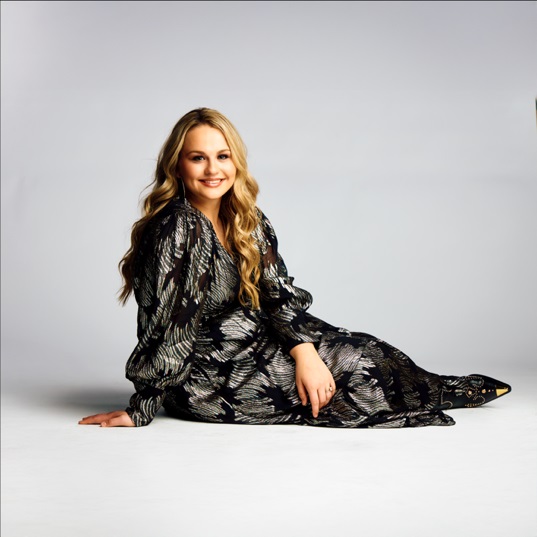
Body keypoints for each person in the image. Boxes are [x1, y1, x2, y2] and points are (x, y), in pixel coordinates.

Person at [79, 108, 511, 429]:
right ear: (178, 164)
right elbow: (169, 324)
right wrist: (143, 407)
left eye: (222, 156)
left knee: (360, 348)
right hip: (207, 375)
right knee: (350, 370)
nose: (213, 169)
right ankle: (435, 395)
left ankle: (437, 387)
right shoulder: (178, 227)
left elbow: (277, 294)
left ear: (236, 161)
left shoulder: (246, 217)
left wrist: (303, 352)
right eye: (198, 158)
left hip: (254, 340)